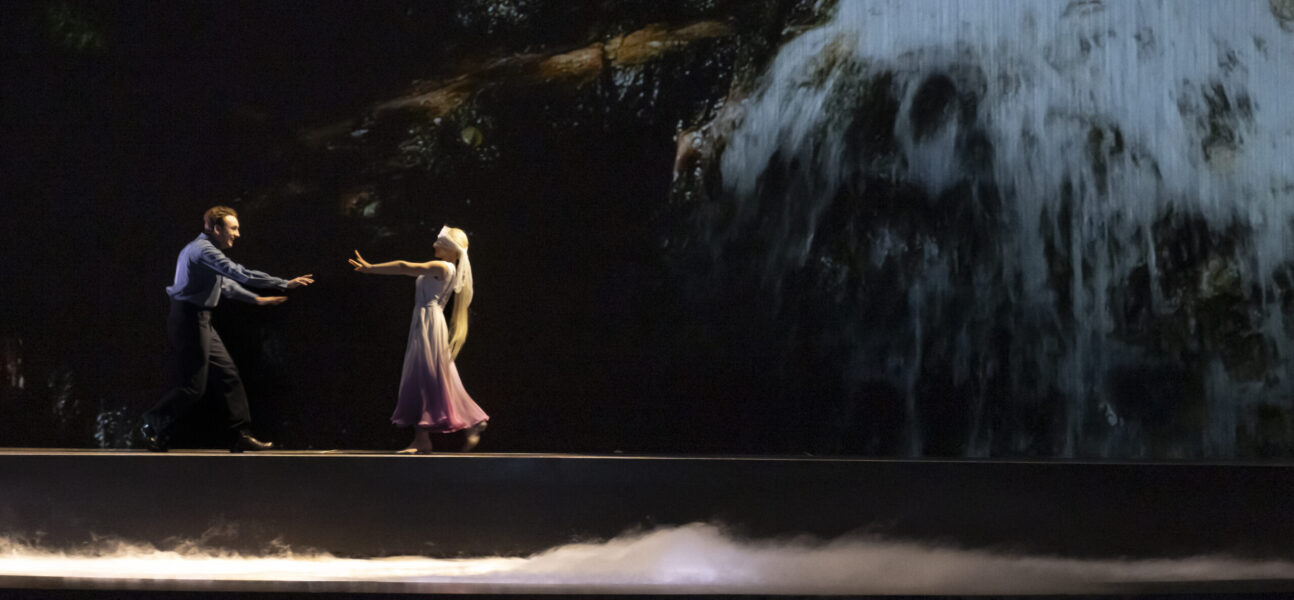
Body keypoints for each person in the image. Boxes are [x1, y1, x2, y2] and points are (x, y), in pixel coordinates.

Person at [139, 206, 314, 452]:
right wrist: (284, 283)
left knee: (228, 374)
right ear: (216, 229)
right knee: (193, 387)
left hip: (200, 319)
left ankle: (240, 434)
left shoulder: (206, 252)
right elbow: (239, 273)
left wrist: (257, 300)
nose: (238, 234)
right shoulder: (203, 250)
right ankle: (150, 425)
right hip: (189, 319)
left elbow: (225, 285)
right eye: (234, 228)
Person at [349, 225, 488, 453]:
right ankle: (431, 436)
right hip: (427, 319)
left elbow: (405, 266)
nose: (434, 245)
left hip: (428, 321)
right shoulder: (448, 269)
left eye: (439, 242)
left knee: (423, 377)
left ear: (450, 247)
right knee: (431, 377)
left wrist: (371, 268)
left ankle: (435, 434)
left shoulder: (442, 266)